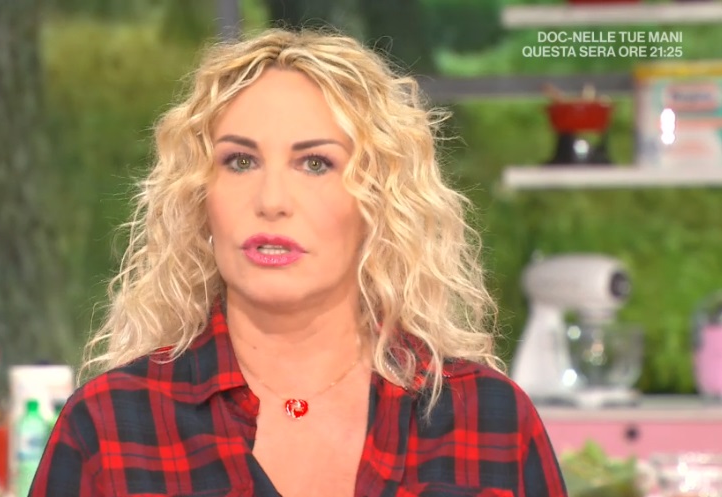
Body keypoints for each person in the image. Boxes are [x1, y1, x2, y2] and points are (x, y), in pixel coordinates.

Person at [30, 28, 568, 497]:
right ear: (199, 199)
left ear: (378, 200)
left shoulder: (488, 421)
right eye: (240, 161)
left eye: (315, 163)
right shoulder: (107, 429)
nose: (271, 200)